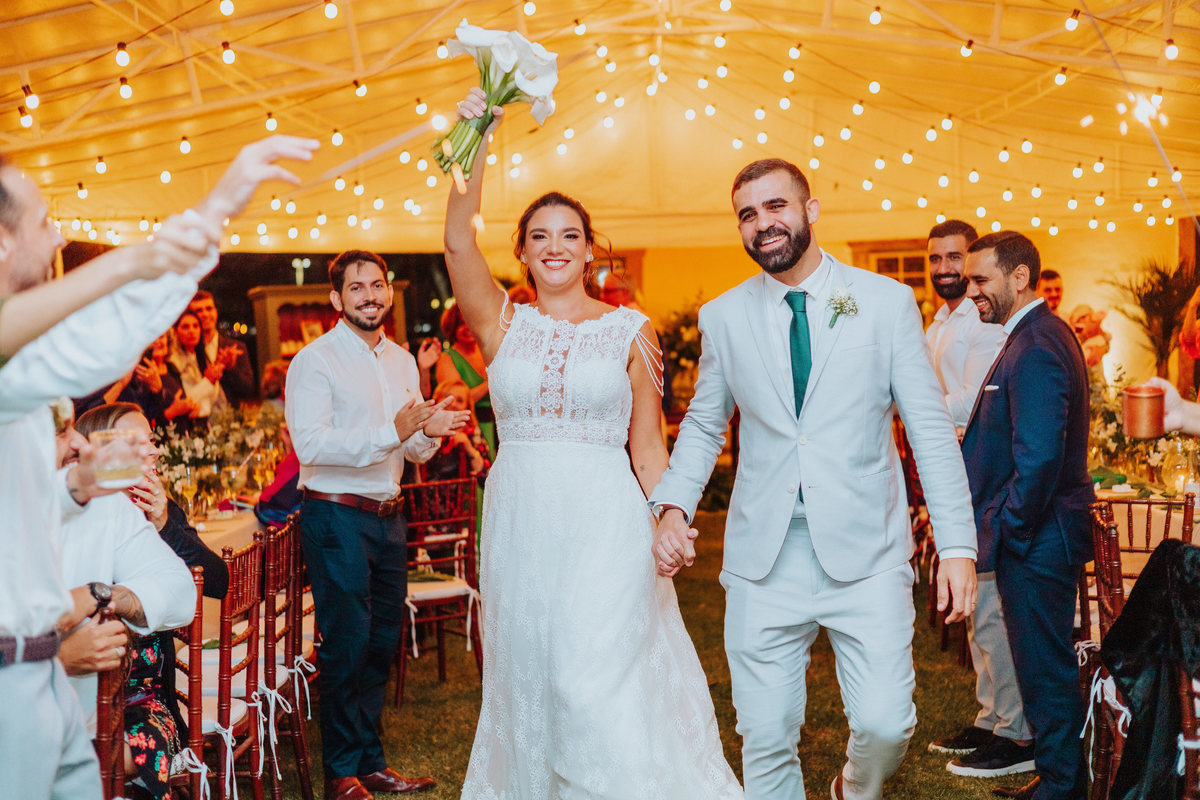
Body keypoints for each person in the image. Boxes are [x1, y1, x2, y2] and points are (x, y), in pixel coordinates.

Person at [0, 134, 318, 800]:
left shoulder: (21, 373)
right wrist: (186, 230)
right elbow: (98, 340)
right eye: (43, 222)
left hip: (45, 682)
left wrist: (76, 489)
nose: (58, 237)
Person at [651, 157, 978, 800]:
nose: (763, 223)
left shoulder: (884, 303)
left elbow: (931, 430)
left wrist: (958, 546)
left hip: (869, 551)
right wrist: (672, 508)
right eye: (748, 214)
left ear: (810, 210)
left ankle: (852, 788)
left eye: (776, 207)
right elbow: (702, 425)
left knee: (887, 726)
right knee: (765, 734)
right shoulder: (724, 317)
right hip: (764, 557)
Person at [446, 89, 743, 799]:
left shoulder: (630, 330)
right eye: (540, 236)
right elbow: (458, 240)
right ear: (521, 251)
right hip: (521, 518)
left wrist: (670, 514)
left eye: (569, 235)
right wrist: (475, 132)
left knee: (590, 672)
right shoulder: (500, 324)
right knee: (536, 671)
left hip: (606, 519)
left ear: (589, 249)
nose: (555, 247)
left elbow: (648, 447)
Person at [285, 248, 468, 800]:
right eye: (357, 287)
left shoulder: (402, 361)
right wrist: (394, 430)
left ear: (389, 292)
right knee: (346, 643)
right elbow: (312, 446)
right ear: (337, 299)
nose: (370, 295)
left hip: (389, 518)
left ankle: (371, 762)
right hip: (335, 514)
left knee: (383, 640)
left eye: (378, 285)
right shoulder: (314, 362)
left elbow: (410, 451)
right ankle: (340, 773)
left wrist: (431, 429)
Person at [960, 231, 1094, 800]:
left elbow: (1038, 458)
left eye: (981, 279)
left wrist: (1009, 532)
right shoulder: (1033, 336)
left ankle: (1063, 788)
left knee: (1045, 670)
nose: (972, 293)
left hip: (1039, 539)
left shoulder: (1037, 344)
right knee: (1041, 668)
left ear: (1019, 278)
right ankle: (1058, 779)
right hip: (1039, 536)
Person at [922, 221, 1031, 778]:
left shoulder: (985, 315)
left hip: (986, 471)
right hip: (956, 473)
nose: (946, 269)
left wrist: (914, 404)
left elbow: (976, 401)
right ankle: (991, 717)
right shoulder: (941, 318)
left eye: (955, 259)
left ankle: (1015, 730)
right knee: (974, 602)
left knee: (990, 602)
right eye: (936, 258)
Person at [435, 303, 495, 457]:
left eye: (471, 322)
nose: (468, 328)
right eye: (461, 324)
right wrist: (491, 382)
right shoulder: (447, 359)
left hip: (497, 426)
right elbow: (455, 400)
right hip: (468, 429)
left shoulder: (487, 353)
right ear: (452, 328)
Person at [188, 290, 255, 404]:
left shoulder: (236, 347)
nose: (205, 314)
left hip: (231, 416)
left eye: (209, 309)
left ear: (216, 312)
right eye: (199, 310)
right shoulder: (189, 350)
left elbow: (248, 390)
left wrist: (230, 367)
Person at [169, 308, 226, 426]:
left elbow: (212, 399)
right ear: (175, 331)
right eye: (185, 327)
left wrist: (214, 378)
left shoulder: (203, 357)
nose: (192, 331)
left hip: (208, 422)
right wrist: (208, 381)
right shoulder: (172, 362)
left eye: (195, 326)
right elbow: (183, 402)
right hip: (184, 425)